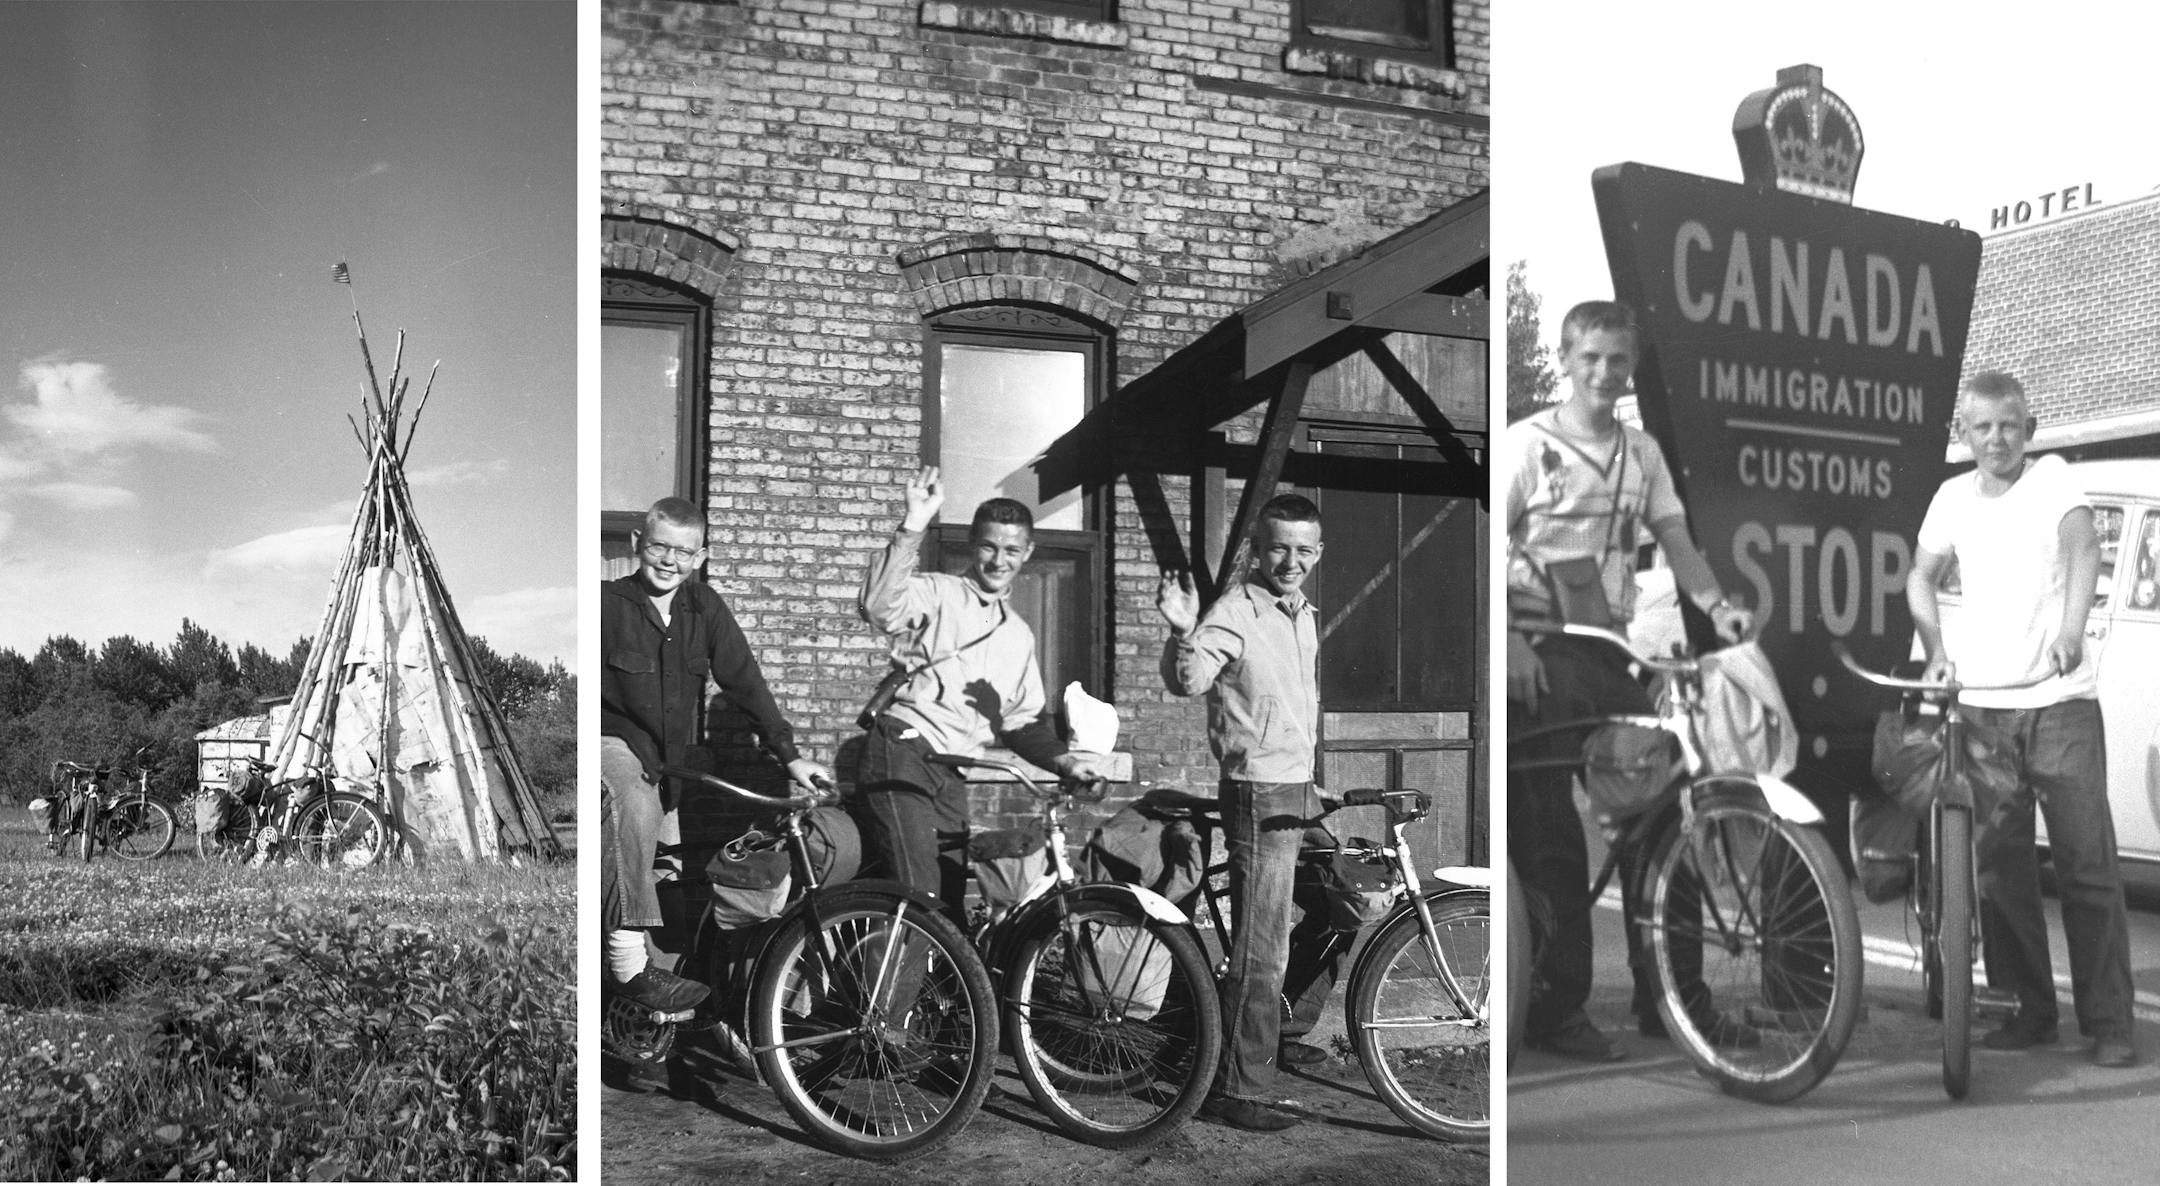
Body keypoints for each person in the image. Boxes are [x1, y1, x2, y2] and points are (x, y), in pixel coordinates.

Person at [1504, 299, 1755, 1062]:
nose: (1605, 372)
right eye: (1591, 358)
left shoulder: (1640, 452)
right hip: (1540, 655)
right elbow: (1494, 542)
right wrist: (1510, 638)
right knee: (1549, 838)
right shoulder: (1527, 445)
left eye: (1618, 359)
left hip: (1610, 655)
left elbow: (1674, 535)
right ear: (1565, 359)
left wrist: (1714, 601)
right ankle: (1555, 1009)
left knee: (1666, 818)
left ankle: (1673, 1001)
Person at [1908, 372, 2137, 1069]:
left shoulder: (2053, 480)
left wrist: (2071, 629)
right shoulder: (1951, 497)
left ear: (2028, 429)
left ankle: (2109, 1023)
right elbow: (1921, 575)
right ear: (1966, 435)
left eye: (2009, 425)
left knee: (2085, 865)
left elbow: (2082, 548)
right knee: (1997, 866)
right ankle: (2027, 1010)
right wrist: (1937, 650)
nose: (1996, 439)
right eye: (1982, 428)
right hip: (1981, 704)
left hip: (2058, 702)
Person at [601, 496, 830, 1011]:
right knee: (633, 806)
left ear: (700, 556)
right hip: (614, 747)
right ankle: (626, 965)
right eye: (659, 546)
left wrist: (790, 757)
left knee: (670, 885)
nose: (669, 561)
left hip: (669, 769)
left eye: (683, 552)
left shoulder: (705, 608)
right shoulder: (607, 605)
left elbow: (746, 683)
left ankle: (652, 1029)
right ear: (637, 545)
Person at [850, 465, 1104, 914]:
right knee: (918, 895)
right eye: (988, 545)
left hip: (950, 773)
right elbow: (878, 606)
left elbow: (1021, 723)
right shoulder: (938, 593)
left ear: (1027, 553)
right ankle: (884, 988)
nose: (998, 560)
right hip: (903, 751)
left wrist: (1065, 760)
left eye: (1011, 549)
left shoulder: (1019, 635)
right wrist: (913, 525)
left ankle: (943, 988)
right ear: (973, 546)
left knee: (948, 901)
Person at [1158, 492, 1333, 1133]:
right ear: (1258, 549)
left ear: (1319, 551)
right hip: (1258, 791)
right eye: (1278, 547)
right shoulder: (1236, 610)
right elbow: (1189, 680)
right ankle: (1234, 1082)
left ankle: (1282, 1027)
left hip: (1301, 786)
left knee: (1346, 897)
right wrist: (1183, 629)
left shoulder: (1303, 614)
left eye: (1303, 549)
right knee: (1263, 947)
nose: (1291, 560)